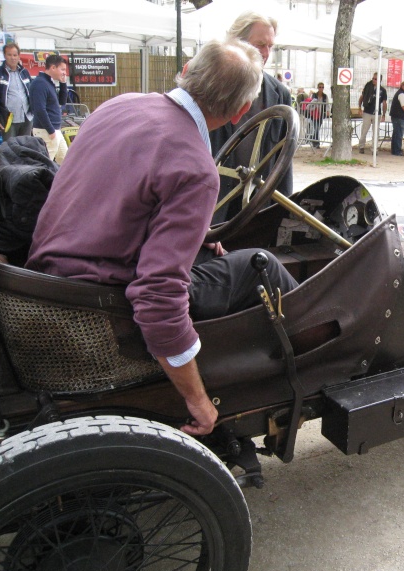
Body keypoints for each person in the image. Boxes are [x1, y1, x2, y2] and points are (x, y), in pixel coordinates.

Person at [27, 39, 298, 437]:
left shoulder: (117, 106)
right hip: (102, 307)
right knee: (261, 265)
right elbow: (157, 297)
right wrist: (197, 400)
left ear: (187, 69)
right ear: (242, 112)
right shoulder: (195, 169)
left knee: (219, 257)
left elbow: (116, 193)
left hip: (51, 280)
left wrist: (195, 234)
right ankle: (307, 361)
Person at [210, 12, 293, 208]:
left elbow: (284, 160)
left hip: (258, 205)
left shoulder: (280, 95)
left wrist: (282, 211)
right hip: (216, 203)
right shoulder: (212, 86)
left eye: (270, 46)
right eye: (259, 45)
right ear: (237, 44)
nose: (265, 53)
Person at [0, 42, 33, 141]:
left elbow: (31, 93)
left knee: (26, 147)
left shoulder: (24, 72)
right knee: (10, 148)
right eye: (9, 55)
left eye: (15, 55)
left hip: (27, 117)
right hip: (8, 119)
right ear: (4, 56)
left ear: (18, 56)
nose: (12, 58)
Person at [29, 54, 68, 164]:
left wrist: (63, 83)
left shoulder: (49, 82)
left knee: (65, 159)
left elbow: (62, 102)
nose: (64, 72)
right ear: (53, 68)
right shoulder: (40, 84)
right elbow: (39, 109)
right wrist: (50, 130)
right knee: (45, 163)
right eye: (62, 69)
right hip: (46, 130)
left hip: (55, 130)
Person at [357, 72, 387, 154]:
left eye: (376, 79)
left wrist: (384, 114)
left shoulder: (382, 90)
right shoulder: (368, 87)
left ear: (380, 80)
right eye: (373, 78)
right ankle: (361, 146)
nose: (374, 80)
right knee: (364, 130)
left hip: (377, 113)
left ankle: (374, 149)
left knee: (376, 132)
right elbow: (362, 97)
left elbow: (384, 103)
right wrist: (359, 107)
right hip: (367, 111)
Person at [308, 82, 329, 148]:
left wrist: (328, 111)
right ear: (318, 87)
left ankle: (312, 139)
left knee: (318, 128)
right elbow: (311, 103)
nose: (321, 88)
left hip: (321, 114)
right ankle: (317, 143)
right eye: (320, 87)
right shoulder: (314, 95)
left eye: (322, 87)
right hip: (314, 114)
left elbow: (327, 104)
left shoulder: (325, 96)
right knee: (316, 128)